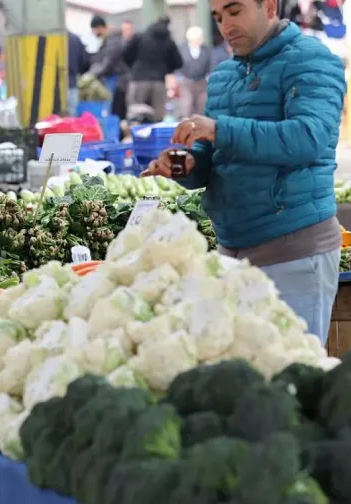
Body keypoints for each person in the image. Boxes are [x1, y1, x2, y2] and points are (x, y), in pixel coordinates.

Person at [142, 0, 345, 344]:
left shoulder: (311, 59)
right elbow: (211, 155)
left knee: (289, 376)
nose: (225, 26)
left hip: (294, 250)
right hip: (230, 251)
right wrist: (188, 165)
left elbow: (308, 139)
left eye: (235, 12)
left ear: (268, 6)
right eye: (219, 17)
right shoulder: (223, 76)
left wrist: (220, 130)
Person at [123, 15, 183, 121]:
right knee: (157, 118)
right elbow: (178, 62)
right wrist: (166, 68)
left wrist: (134, 67)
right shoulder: (169, 40)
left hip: (139, 80)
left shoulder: (140, 36)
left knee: (136, 116)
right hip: (159, 82)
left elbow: (126, 54)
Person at [89, 16, 130, 120]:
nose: (94, 33)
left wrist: (95, 74)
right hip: (115, 79)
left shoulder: (113, 40)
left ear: (100, 28)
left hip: (117, 80)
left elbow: (109, 62)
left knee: (114, 110)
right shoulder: (111, 39)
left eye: (94, 30)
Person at [177, 26, 212, 118]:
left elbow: (210, 64)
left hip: (201, 82)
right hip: (186, 82)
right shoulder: (182, 49)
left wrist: (208, 77)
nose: (202, 40)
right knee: (187, 107)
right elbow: (177, 64)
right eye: (200, 38)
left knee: (201, 106)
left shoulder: (206, 49)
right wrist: (179, 78)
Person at [67, 31, 91, 116]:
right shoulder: (75, 39)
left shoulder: (48, 37)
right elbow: (84, 62)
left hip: (49, 88)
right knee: (71, 117)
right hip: (71, 84)